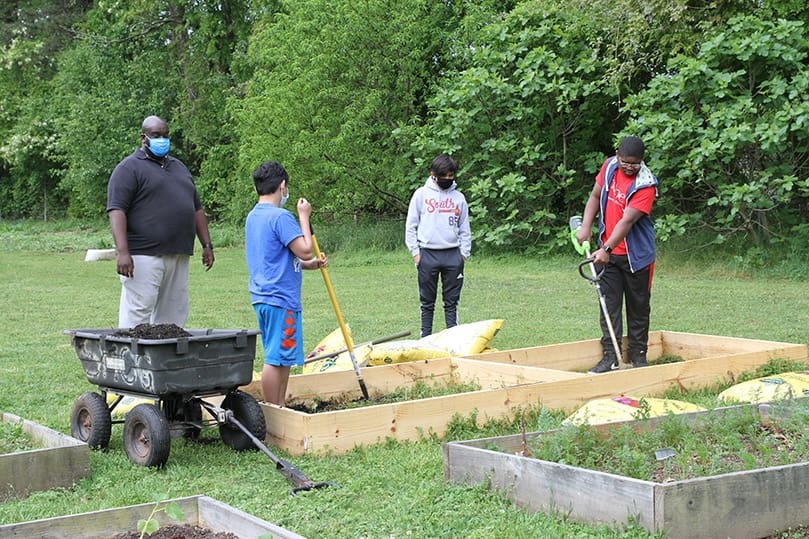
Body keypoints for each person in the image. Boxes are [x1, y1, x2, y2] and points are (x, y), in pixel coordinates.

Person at [107, 115, 214, 329]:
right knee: (138, 314)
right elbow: (117, 209)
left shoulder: (179, 168)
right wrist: (123, 252)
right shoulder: (129, 168)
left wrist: (207, 245)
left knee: (173, 316)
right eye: (156, 135)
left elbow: (196, 209)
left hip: (178, 254)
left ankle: (166, 361)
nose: (162, 140)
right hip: (144, 255)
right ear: (143, 138)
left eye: (166, 135)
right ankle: (133, 359)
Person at [245, 161, 325, 406]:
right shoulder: (281, 217)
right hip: (281, 299)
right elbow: (304, 249)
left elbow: (276, 256)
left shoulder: (253, 216)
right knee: (276, 357)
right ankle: (273, 411)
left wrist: (310, 265)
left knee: (283, 356)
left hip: (263, 296)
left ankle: (279, 406)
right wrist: (304, 216)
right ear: (282, 186)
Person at [576, 136, 658, 373]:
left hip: (637, 257)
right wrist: (585, 227)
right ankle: (611, 356)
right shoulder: (610, 166)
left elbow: (627, 221)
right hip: (608, 255)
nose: (629, 167)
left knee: (638, 307)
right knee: (608, 306)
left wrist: (606, 250)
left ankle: (638, 356)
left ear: (641, 161)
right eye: (626, 162)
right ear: (617, 155)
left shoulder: (646, 184)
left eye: (635, 163)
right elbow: (594, 196)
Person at [405, 154, 472, 338]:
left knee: (451, 302)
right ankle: (425, 338)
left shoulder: (459, 198)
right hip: (427, 254)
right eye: (445, 176)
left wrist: (463, 254)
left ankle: (452, 337)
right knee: (427, 302)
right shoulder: (421, 195)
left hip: (452, 255)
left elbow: (465, 228)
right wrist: (416, 255)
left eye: (451, 177)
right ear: (433, 174)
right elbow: (411, 226)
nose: (448, 180)